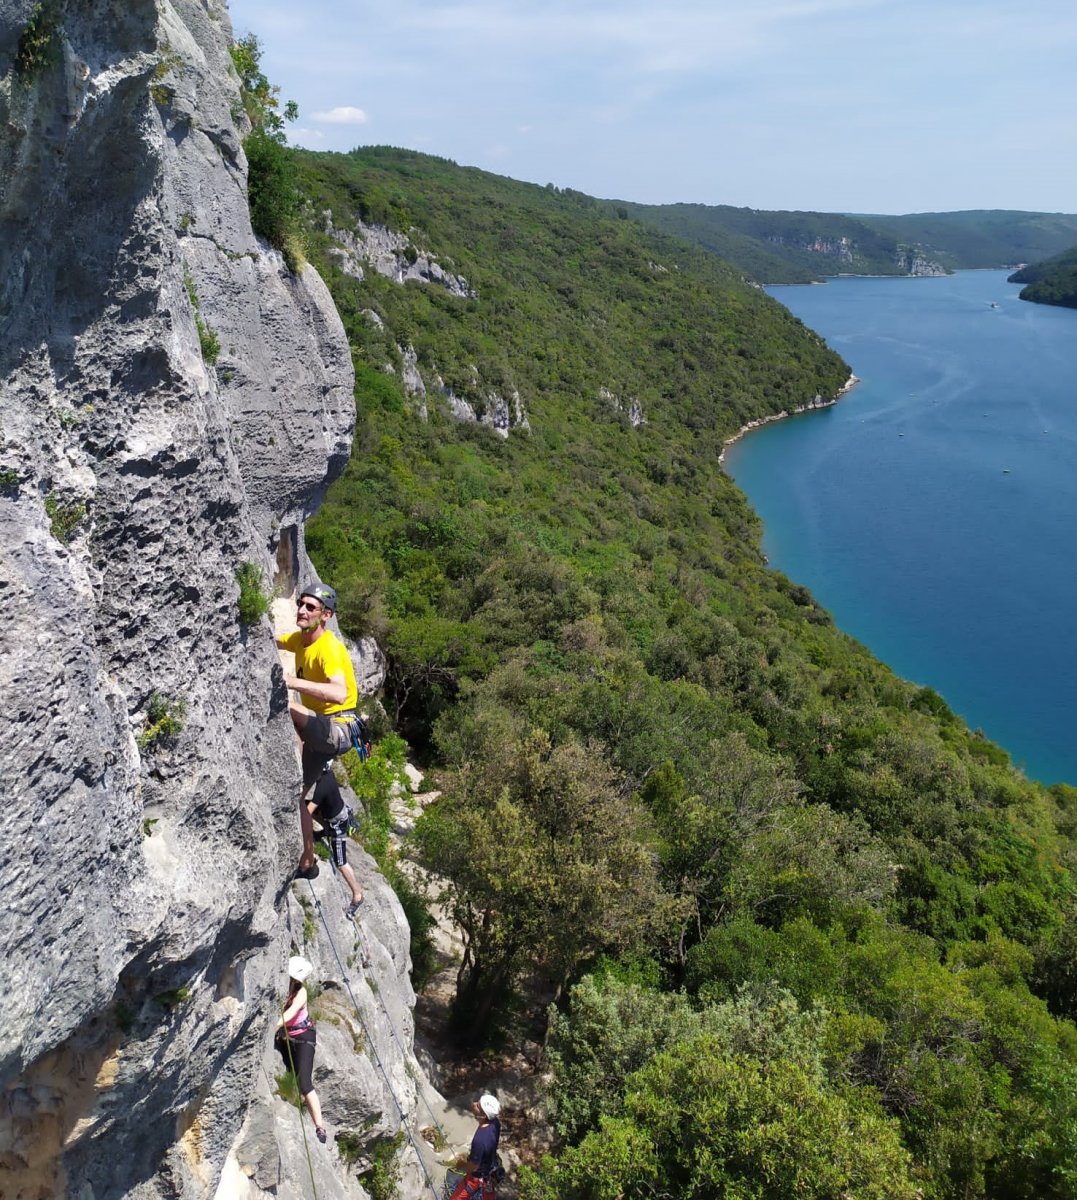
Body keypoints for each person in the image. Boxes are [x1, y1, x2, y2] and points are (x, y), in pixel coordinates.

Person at [275, 583, 360, 878]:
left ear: (326, 616)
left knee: (284, 707)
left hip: (340, 727)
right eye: (301, 604)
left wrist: (291, 682)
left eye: (311, 607)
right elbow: (273, 641)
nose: (301, 610)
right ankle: (307, 862)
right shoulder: (300, 640)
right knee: (297, 796)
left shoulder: (329, 649)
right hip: (320, 731)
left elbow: (338, 693)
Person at [275, 956, 328, 1144]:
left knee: (304, 1083)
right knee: (289, 1074)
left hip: (304, 1037)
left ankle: (319, 1127)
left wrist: (272, 1025)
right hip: (287, 1036)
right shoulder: (283, 985)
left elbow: (289, 1014)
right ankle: (289, 1096)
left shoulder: (302, 993)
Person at [308, 768, 364, 917]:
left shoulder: (321, 788)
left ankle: (357, 895)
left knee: (341, 863)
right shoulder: (328, 775)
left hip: (338, 824)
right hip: (338, 813)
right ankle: (323, 833)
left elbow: (307, 811)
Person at [449, 1093, 502, 1199]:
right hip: (489, 1171)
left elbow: (473, 1167)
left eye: (478, 1106)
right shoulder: (495, 1123)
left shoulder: (480, 1140)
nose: (474, 1104)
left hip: (476, 1178)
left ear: (483, 1115)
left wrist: (461, 1165)